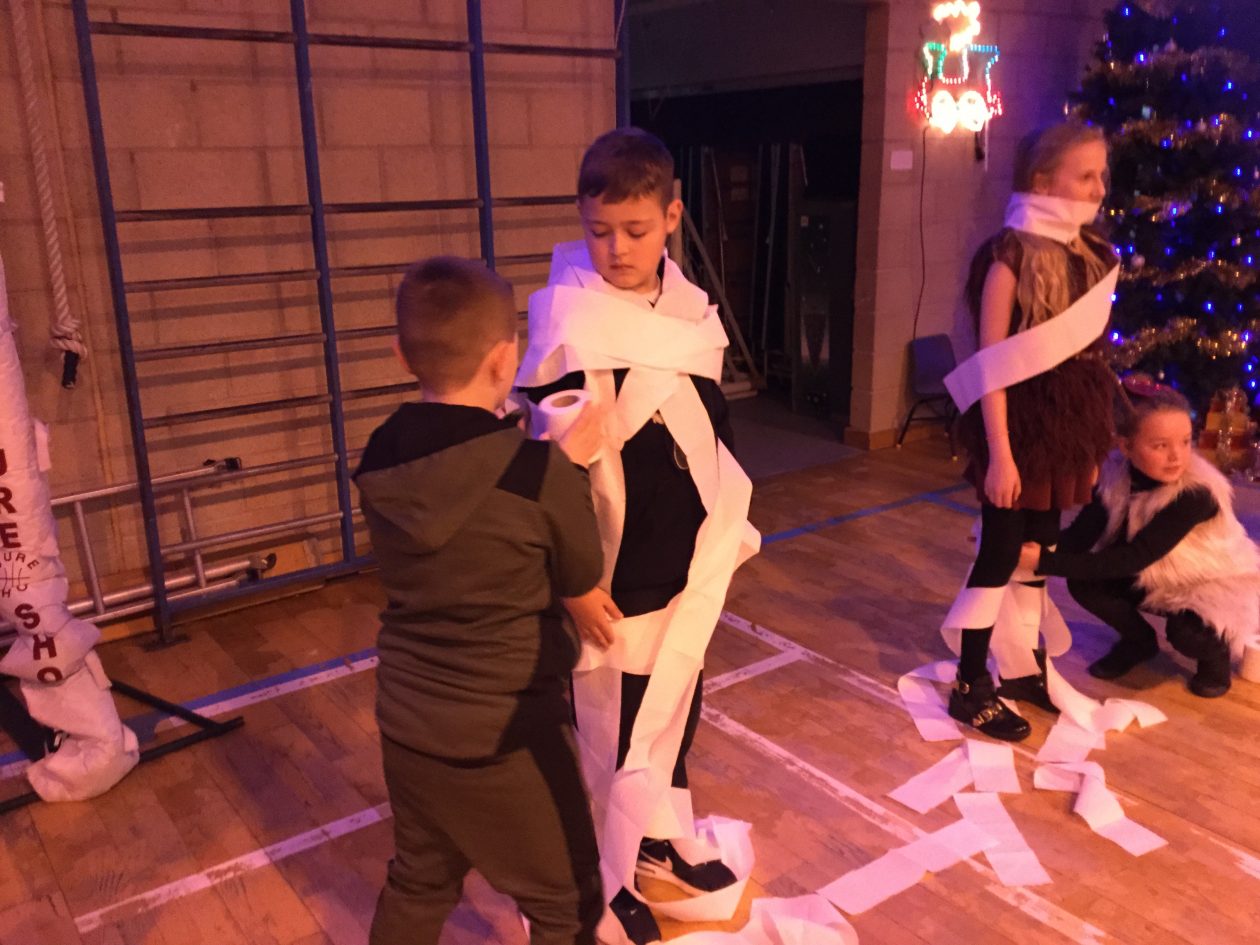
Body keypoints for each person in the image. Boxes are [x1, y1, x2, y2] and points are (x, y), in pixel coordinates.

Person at [517, 128, 759, 945]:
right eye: (598, 230)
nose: (616, 248)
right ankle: (604, 874)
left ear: (672, 219)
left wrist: (726, 525)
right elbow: (544, 479)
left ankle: (658, 839)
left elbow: (712, 428)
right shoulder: (565, 327)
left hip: (684, 560)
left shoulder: (690, 314)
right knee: (612, 731)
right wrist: (572, 584)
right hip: (609, 575)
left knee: (674, 709)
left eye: (636, 229)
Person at [355, 256, 615, 945]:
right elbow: (581, 570)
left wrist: (533, 456)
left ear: (401, 354)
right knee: (568, 903)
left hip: (408, 722)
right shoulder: (537, 472)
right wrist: (569, 468)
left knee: (420, 880)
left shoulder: (381, 453)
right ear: (506, 360)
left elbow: (460, 486)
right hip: (506, 734)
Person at [939, 121, 1121, 740]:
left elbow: (1091, 362)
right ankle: (970, 684)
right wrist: (1000, 455)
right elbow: (991, 366)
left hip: (1065, 427)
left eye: (1101, 174)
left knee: (1038, 552)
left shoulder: (1091, 255)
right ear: (1042, 181)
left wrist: (1089, 443)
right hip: (1016, 428)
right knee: (998, 554)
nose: (1100, 187)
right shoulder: (1008, 259)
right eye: (1086, 175)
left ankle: (1021, 666)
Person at [1020, 379, 1260, 698]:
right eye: (1160, 445)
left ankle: (1214, 658)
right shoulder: (1114, 477)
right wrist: (1026, 546)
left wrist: (1044, 562)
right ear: (1125, 446)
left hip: (1209, 582)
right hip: (1151, 572)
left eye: (1185, 442)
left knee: (1187, 633)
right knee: (1084, 583)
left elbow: (1134, 558)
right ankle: (1139, 642)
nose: (1177, 456)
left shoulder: (1195, 493)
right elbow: (1080, 535)